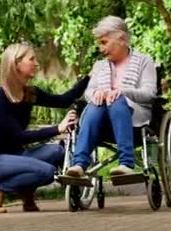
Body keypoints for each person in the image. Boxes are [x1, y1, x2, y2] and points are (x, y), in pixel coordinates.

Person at [0, 43, 89, 213]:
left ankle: (26, 194)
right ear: (15, 64)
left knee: (57, 152)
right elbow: (18, 136)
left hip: (18, 156)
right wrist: (57, 128)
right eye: (31, 59)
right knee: (47, 172)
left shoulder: (29, 93)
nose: (36, 63)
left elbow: (63, 101)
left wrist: (89, 78)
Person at [66, 16, 156, 177]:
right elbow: (88, 92)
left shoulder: (144, 61)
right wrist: (96, 93)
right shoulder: (100, 66)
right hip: (102, 122)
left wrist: (123, 91)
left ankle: (126, 163)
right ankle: (79, 164)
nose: (100, 48)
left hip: (134, 120)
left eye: (104, 42)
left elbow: (149, 94)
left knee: (116, 100)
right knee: (96, 102)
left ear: (121, 39)